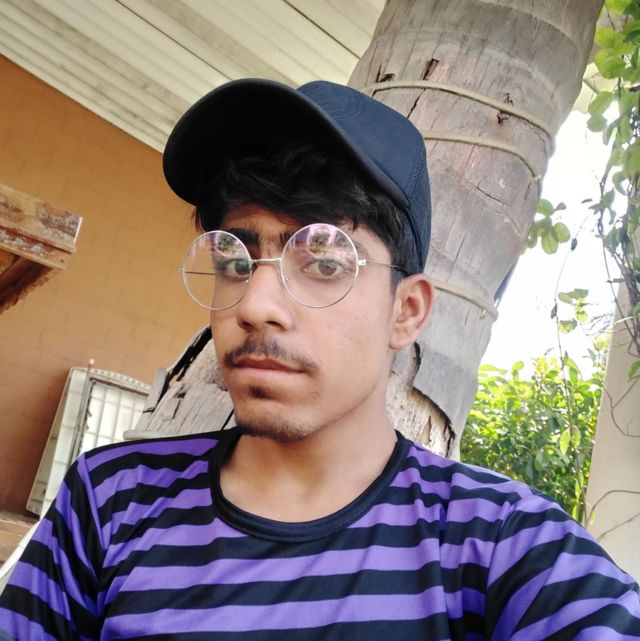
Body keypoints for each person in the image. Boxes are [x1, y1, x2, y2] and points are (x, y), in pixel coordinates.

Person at [0, 79, 639, 641]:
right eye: (234, 262)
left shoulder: (501, 546)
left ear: (406, 311)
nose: (255, 304)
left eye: (325, 263)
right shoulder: (110, 502)